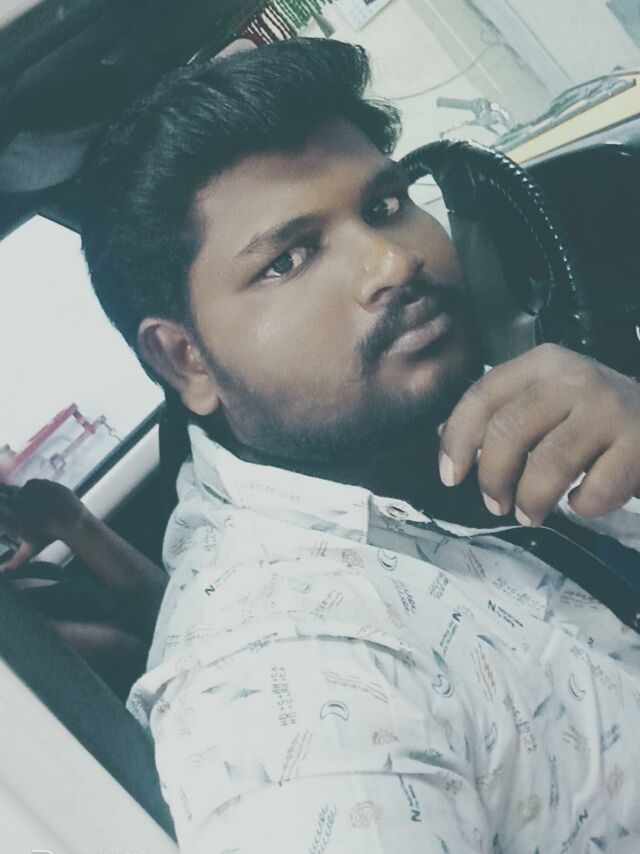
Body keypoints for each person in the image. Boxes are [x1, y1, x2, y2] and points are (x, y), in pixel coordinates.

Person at [81, 38, 640, 853]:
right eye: (288, 260)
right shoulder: (285, 688)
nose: (392, 260)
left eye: (383, 206)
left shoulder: (519, 407)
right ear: (186, 359)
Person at [0, 479, 167, 697]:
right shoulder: (13, 624)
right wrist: (75, 524)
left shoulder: (29, 573)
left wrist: (69, 519)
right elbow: (136, 654)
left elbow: (169, 613)